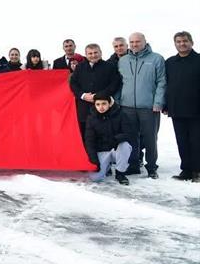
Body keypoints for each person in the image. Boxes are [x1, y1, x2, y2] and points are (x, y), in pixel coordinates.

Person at [117, 32, 166, 178]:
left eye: (137, 41)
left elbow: (161, 82)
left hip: (149, 107)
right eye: (132, 42)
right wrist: (118, 101)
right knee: (131, 137)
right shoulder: (123, 60)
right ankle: (133, 165)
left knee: (150, 138)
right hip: (127, 106)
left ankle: (151, 167)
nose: (134, 44)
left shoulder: (156, 59)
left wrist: (158, 102)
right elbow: (119, 83)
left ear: (145, 42)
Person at [164, 31, 200, 183]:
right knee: (182, 141)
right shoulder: (170, 62)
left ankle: (197, 171)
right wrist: (166, 104)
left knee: (196, 141)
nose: (182, 44)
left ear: (191, 42)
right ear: (175, 44)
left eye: (185, 41)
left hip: (196, 109)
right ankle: (186, 170)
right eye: (178, 41)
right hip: (177, 108)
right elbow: (166, 85)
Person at [69, 44, 121, 143]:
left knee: (104, 135)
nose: (93, 55)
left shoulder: (110, 66)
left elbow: (115, 84)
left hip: (104, 108)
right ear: (86, 55)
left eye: (96, 52)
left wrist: (99, 96)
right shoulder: (80, 67)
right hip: (84, 109)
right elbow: (73, 84)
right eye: (90, 53)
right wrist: (83, 95)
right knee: (85, 136)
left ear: (100, 53)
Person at [84, 94, 134, 185]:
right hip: (102, 151)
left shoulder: (121, 114)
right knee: (94, 178)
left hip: (116, 150)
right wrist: (94, 160)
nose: (101, 107)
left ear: (110, 104)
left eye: (104, 104)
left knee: (125, 145)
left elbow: (129, 133)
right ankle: (107, 166)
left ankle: (120, 173)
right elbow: (89, 141)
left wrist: (115, 140)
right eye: (98, 104)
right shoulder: (91, 118)